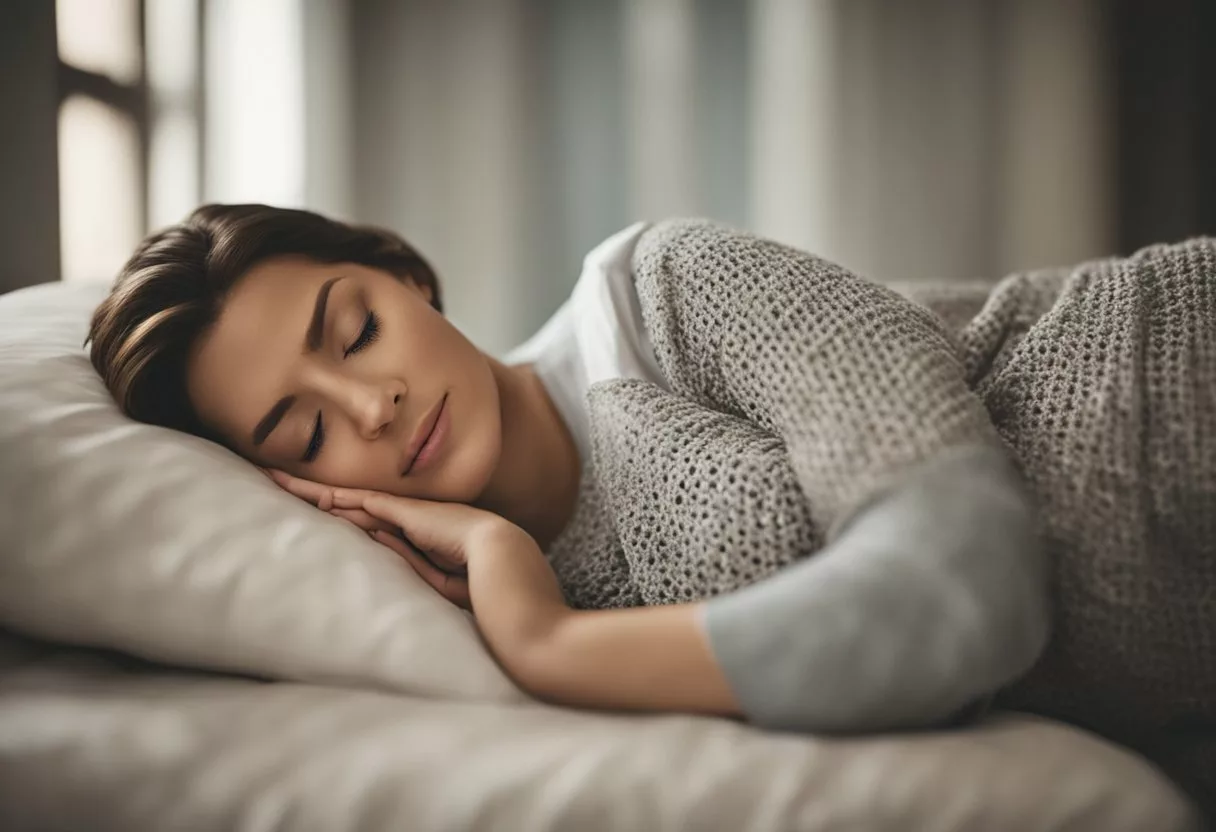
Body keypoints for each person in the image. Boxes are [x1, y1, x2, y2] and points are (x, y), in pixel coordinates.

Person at [88, 204, 1214, 814]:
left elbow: (961, 588)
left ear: (405, 274)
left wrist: (551, 642)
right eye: (305, 433)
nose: (370, 405)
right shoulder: (457, 600)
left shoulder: (657, 293)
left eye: (355, 329)